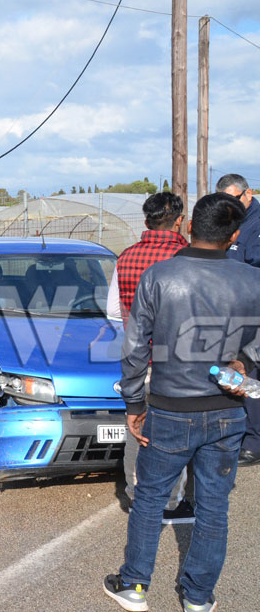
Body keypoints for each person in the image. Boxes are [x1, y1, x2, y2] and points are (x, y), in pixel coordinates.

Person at [104, 192, 260, 612]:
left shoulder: (158, 276)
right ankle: (198, 598)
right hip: (228, 408)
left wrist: (134, 403)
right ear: (233, 236)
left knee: (151, 496)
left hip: (170, 407)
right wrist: (244, 363)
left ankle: (134, 585)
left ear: (188, 226)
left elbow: (135, 348)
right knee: (213, 505)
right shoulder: (254, 280)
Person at [106, 192, 193, 524]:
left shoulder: (126, 256)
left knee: (136, 425)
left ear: (146, 222)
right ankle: (170, 502)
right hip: (176, 359)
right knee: (172, 433)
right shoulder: (185, 256)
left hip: (136, 354)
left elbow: (114, 310)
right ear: (180, 220)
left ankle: (133, 493)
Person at [217, 174, 260, 466]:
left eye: (235, 198)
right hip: (228, 309)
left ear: (249, 193)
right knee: (234, 372)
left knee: (251, 373)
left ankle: (253, 442)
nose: (231, 204)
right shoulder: (228, 219)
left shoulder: (256, 225)